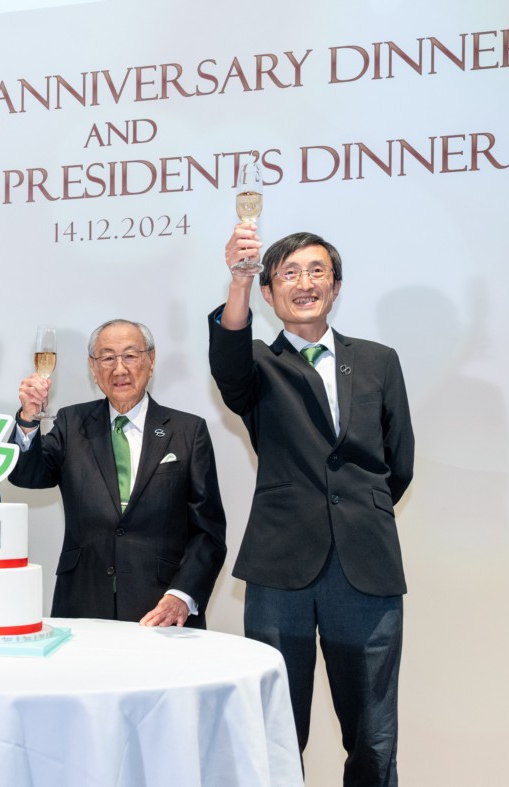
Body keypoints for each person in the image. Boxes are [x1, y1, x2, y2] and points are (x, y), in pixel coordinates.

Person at [210, 224, 414, 785]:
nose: (305, 283)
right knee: (274, 726)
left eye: (317, 271)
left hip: (366, 566)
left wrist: (359, 513)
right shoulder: (257, 363)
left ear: (336, 285)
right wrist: (239, 278)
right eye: (289, 274)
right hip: (281, 568)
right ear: (269, 293)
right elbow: (227, 359)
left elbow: (399, 463)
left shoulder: (378, 360)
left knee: (373, 735)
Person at [9, 319, 227, 626]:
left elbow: (209, 531)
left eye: (130, 356)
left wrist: (182, 595)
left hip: (162, 607)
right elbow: (27, 476)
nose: (119, 369)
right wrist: (28, 419)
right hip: (82, 601)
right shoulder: (72, 423)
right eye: (108, 358)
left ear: (151, 361)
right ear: (93, 367)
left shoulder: (188, 431)